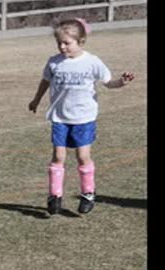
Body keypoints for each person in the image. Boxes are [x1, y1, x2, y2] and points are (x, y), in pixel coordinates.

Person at [28, 18, 134, 215]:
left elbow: (108, 82)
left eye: (67, 43)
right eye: (59, 42)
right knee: (58, 156)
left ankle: (88, 193)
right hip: (60, 117)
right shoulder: (54, 62)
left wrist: (122, 81)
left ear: (81, 41)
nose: (62, 46)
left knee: (82, 156)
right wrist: (36, 100)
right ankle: (54, 195)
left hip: (83, 118)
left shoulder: (92, 62)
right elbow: (45, 82)